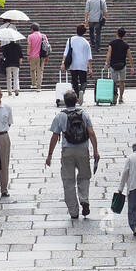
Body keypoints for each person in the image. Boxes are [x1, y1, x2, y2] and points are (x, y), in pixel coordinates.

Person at [45, 90, 100, 219]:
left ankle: (73, 211)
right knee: (84, 176)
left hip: (67, 150)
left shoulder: (60, 116)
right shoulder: (84, 114)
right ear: (76, 101)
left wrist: (49, 155)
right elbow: (91, 133)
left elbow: (54, 136)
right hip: (83, 149)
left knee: (68, 180)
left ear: (65, 102)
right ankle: (84, 199)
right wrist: (95, 150)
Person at [63, 23, 93, 101]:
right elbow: (89, 57)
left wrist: (63, 63)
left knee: (74, 81)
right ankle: (82, 91)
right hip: (83, 65)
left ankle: (77, 97)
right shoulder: (86, 42)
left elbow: (66, 53)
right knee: (83, 81)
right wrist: (90, 68)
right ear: (84, 32)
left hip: (73, 64)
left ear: (76, 30)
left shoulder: (70, 40)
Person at [106, 27, 133, 105]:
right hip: (122, 65)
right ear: (124, 35)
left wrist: (106, 64)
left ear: (117, 33)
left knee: (113, 83)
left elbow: (109, 54)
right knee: (122, 81)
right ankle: (120, 98)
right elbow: (130, 56)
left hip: (113, 65)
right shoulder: (125, 45)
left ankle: (114, 97)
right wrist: (132, 66)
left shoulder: (112, 43)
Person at [27, 23, 50, 91]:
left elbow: (29, 46)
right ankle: (39, 87)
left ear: (32, 29)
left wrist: (28, 55)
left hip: (32, 56)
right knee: (40, 71)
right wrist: (47, 56)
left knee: (32, 70)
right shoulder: (43, 36)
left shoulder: (30, 36)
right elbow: (47, 46)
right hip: (41, 56)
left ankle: (34, 84)